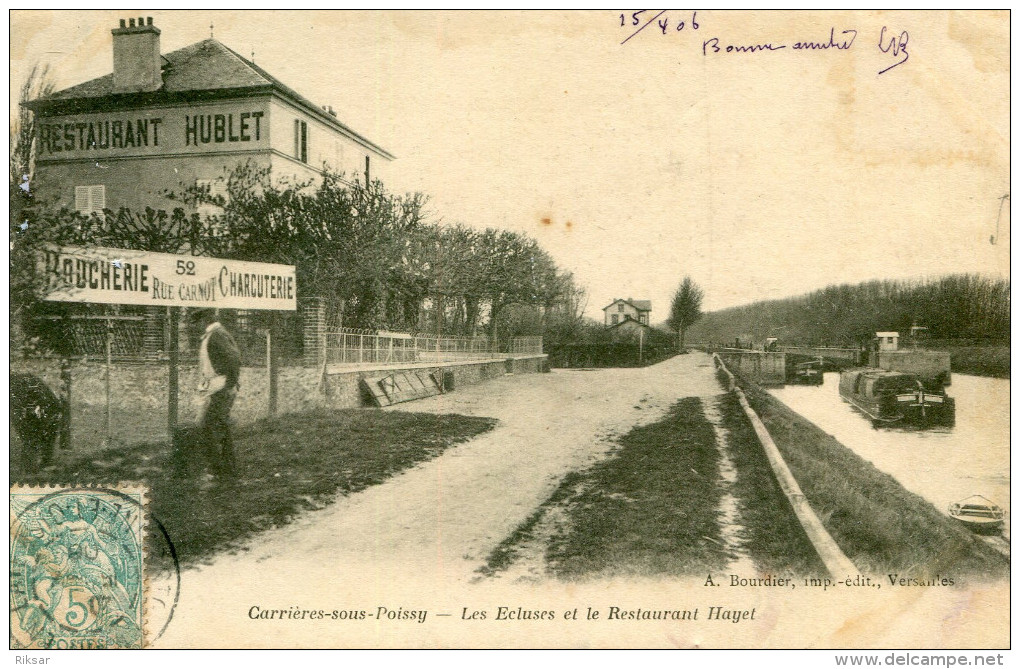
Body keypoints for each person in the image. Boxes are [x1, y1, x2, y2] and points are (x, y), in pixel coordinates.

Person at [192, 309, 242, 480]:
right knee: (219, 427)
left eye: (197, 321)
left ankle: (218, 470)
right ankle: (227, 469)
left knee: (210, 427)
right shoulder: (213, 334)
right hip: (216, 386)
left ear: (205, 319)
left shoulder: (216, 335)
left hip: (220, 386)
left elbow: (234, 358)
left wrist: (229, 383)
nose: (195, 325)